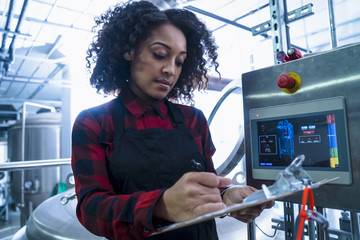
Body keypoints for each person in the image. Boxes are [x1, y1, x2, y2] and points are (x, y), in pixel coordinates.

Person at [71, 1, 273, 240]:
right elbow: (91, 209)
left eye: (179, 61)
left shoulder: (193, 120)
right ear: (129, 50)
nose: (170, 70)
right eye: (160, 55)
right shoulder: (95, 122)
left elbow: (208, 189)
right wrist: (160, 206)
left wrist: (227, 197)